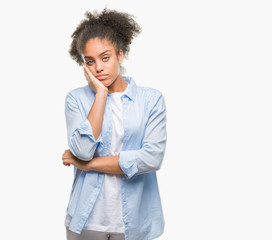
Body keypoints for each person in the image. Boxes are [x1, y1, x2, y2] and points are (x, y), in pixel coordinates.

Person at [62, 8, 167, 240]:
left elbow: (152, 158)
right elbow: (82, 150)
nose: (98, 67)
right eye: (90, 61)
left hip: (135, 221)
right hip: (86, 221)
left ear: (120, 55)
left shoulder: (151, 100)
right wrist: (100, 95)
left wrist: (88, 165)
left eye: (105, 58)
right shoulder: (76, 99)